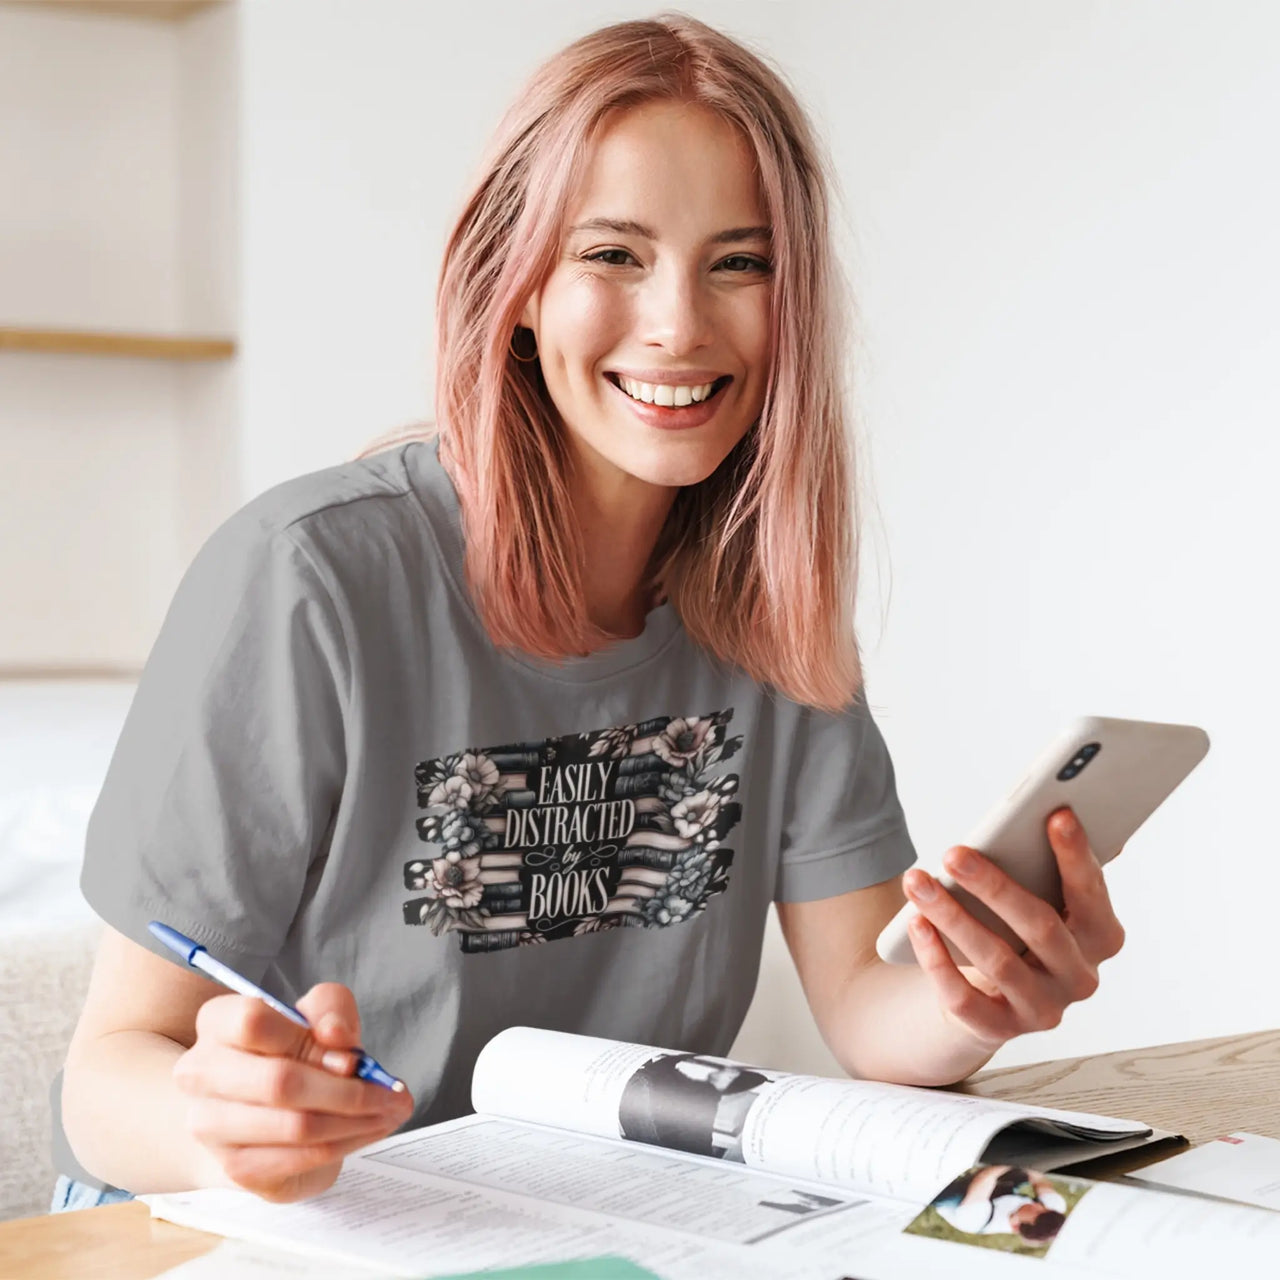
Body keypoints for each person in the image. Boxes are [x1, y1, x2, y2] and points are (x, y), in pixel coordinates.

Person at [54, 14, 1127, 1211]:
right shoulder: (306, 578)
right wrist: (230, 1128)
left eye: (741, 261)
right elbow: (103, 1083)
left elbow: (869, 1019)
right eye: (613, 254)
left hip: (581, 1224)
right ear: (511, 286)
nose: (677, 322)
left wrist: (975, 989)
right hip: (281, 1228)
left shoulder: (767, 605)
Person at [618, 1053, 771, 1158]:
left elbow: (662, 1075)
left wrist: (680, 1058)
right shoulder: (705, 1091)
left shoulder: (705, 1093)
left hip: (650, 1129)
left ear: (731, 1084)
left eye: (730, 1074)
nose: (725, 1071)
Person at [931, 1165, 1069, 1243]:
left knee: (942, 1191)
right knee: (1023, 1171)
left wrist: (1011, 1161)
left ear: (1017, 1225)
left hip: (962, 1200)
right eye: (1044, 1208)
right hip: (1002, 1192)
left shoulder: (974, 1221)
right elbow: (1040, 1181)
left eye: (1036, 1213)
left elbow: (984, 1178)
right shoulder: (1054, 1208)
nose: (1039, 1206)